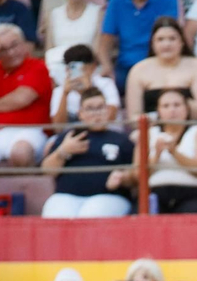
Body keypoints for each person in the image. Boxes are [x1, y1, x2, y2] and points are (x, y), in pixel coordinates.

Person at [41, 87, 137, 217]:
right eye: (90, 108)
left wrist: (122, 177)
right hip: (65, 197)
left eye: (100, 107)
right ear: (80, 113)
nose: (96, 113)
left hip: (109, 197)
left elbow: (136, 177)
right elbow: (47, 170)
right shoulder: (68, 137)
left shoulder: (121, 140)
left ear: (108, 110)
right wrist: (63, 151)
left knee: (90, 215)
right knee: (55, 216)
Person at [0, 25, 53, 167]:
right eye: (3, 49)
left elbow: (21, 99)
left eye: (15, 45)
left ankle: (23, 189)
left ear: (25, 44)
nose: (11, 53)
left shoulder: (37, 66)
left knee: (20, 153)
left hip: (27, 131)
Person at [98, 0, 180, 80]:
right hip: (126, 67)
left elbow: (170, 35)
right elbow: (105, 41)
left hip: (159, 64)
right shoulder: (117, 0)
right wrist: (106, 65)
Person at [126, 16, 197, 119]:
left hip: (191, 127)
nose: (166, 44)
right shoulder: (138, 70)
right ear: (152, 43)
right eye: (160, 39)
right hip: (152, 128)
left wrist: (179, 105)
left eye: (172, 39)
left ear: (181, 42)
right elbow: (133, 117)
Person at [143, 87, 197, 212]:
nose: (172, 110)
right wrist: (157, 155)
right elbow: (138, 175)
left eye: (177, 105)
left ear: (186, 108)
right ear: (158, 111)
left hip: (192, 194)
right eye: (166, 106)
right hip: (155, 194)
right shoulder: (149, 133)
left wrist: (174, 153)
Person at [40, 0, 104, 79]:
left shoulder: (98, 13)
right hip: (58, 70)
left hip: (88, 70)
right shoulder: (53, 14)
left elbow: (97, 50)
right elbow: (49, 50)